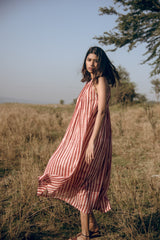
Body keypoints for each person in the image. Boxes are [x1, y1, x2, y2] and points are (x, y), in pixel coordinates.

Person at [37, 46, 120, 240]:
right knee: (71, 171)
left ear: (102, 63)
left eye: (96, 60)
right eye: (89, 59)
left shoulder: (101, 81)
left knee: (83, 179)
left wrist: (91, 142)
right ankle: (93, 227)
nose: (91, 63)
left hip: (94, 137)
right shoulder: (89, 82)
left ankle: (84, 235)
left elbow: (101, 111)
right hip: (82, 137)